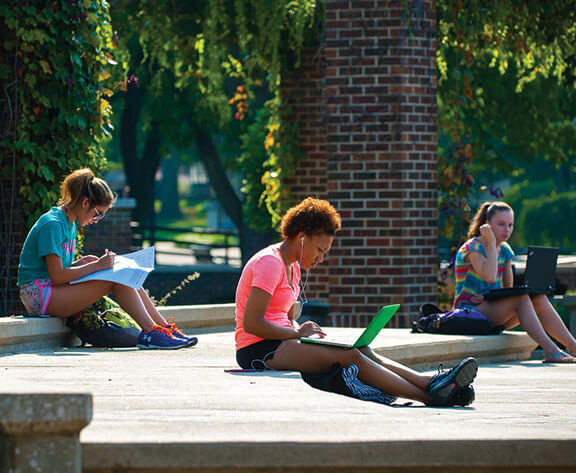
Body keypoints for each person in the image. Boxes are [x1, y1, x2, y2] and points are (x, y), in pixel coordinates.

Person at [234, 197, 478, 407]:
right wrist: (295, 332)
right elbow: (252, 324)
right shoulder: (270, 263)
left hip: (283, 342)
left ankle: (432, 383)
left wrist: (299, 331)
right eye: (319, 249)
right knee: (351, 356)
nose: (321, 258)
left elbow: (284, 317)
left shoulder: (293, 266)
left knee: (362, 349)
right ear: (301, 237)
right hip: (258, 349)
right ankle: (431, 397)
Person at [17, 168, 197, 350]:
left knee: (126, 274)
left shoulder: (69, 223)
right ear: (85, 202)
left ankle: (164, 329)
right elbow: (57, 276)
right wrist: (96, 266)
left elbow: (55, 270)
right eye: (98, 213)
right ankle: (151, 332)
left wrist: (80, 264)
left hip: (50, 289)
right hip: (38, 295)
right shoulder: (53, 225)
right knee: (116, 280)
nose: (97, 219)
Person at [453, 201, 576, 363]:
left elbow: (507, 291)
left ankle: (573, 346)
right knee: (521, 299)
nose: (507, 230)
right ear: (487, 225)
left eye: (510, 225)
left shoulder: (504, 250)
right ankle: (551, 350)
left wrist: (489, 298)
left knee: (537, 298)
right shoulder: (472, 248)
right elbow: (489, 276)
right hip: (467, 312)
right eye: (501, 224)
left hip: (490, 311)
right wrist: (490, 243)